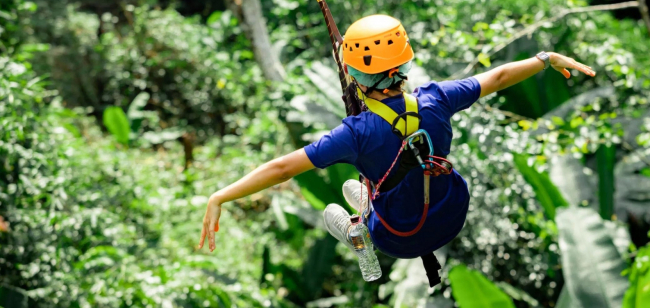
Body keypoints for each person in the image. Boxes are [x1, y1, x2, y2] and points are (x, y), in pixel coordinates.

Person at [197, 15, 595, 270]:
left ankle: (359, 233)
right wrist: (546, 57)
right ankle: (368, 204)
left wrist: (220, 196)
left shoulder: (355, 133)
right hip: (450, 214)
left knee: (341, 200)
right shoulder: (437, 99)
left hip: (398, 238)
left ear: (353, 75)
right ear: (405, 63)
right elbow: (499, 77)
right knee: (375, 181)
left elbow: (282, 168)